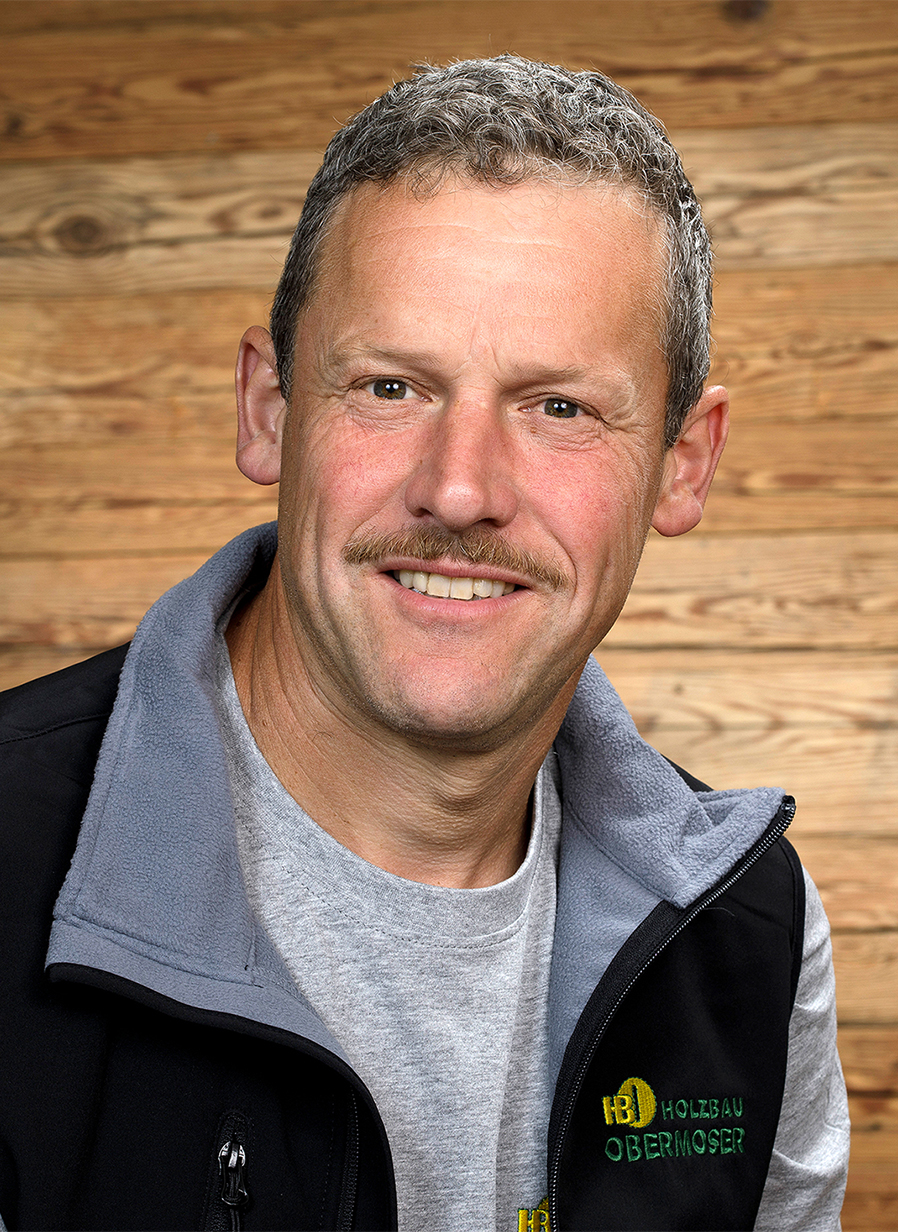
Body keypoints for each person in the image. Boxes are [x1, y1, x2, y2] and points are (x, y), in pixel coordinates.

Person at [0, 56, 848, 1232]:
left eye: (559, 406)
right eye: (391, 386)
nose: (459, 488)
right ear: (269, 408)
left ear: (682, 463)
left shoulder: (748, 931)